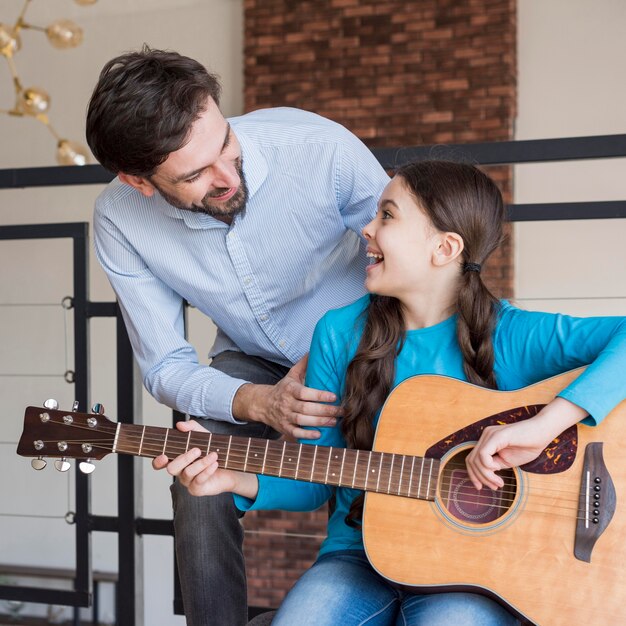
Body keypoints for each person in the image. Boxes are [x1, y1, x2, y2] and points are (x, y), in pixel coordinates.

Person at [161, 160, 626, 625]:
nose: (366, 229)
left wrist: (545, 426)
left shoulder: (511, 335)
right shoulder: (340, 333)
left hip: (475, 574)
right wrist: (233, 479)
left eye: (387, 215)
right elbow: (319, 473)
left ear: (444, 248)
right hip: (357, 557)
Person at [85, 47, 390, 625]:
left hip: (372, 342)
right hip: (248, 362)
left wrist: (343, 350)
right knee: (196, 467)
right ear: (137, 180)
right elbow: (165, 367)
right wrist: (257, 402)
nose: (227, 176)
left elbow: (412, 252)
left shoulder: (319, 147)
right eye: (195, 175)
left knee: (375, 487)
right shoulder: (119, 220)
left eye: (225, 145)